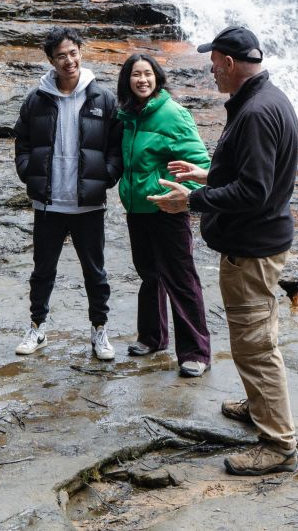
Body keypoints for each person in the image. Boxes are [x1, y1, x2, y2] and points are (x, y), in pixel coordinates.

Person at [150, 27, 298, 476]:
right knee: (258, 334)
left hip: (251, 248)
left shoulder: (255, 112)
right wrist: (208, 173)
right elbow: (258, 176)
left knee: (254, 346)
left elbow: (254, 191)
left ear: (230, 62)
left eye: (213, 62)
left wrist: (190, 201)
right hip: (263, 242)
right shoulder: (270, 99)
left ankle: (278, 443)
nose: (210, 70)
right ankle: (260, 407)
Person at [12, 27, 123, 360]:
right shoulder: (36, 98)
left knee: (95, 272)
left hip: (88, 203)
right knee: (42, 270)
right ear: (51, 60)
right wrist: (27, 172)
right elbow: (23, 142)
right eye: (61, 55)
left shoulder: (102, 97)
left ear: (80, 53)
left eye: (73, 53)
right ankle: (37, 327)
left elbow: (116, 146)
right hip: (48, 203)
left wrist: (106, 177)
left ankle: (99, 331)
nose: (69, 60)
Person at [115, 53, 212, 378]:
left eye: (147, 74)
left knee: (180, 277)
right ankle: (152, 338)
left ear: (157, 77)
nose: (142, 80)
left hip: (168, 209)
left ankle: (195, 352)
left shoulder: (172, 114)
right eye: (135, 75)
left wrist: (186, 196)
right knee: (149, 275)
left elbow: (202, 163)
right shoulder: (130, 115)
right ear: (127, 81)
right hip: (138, 209)